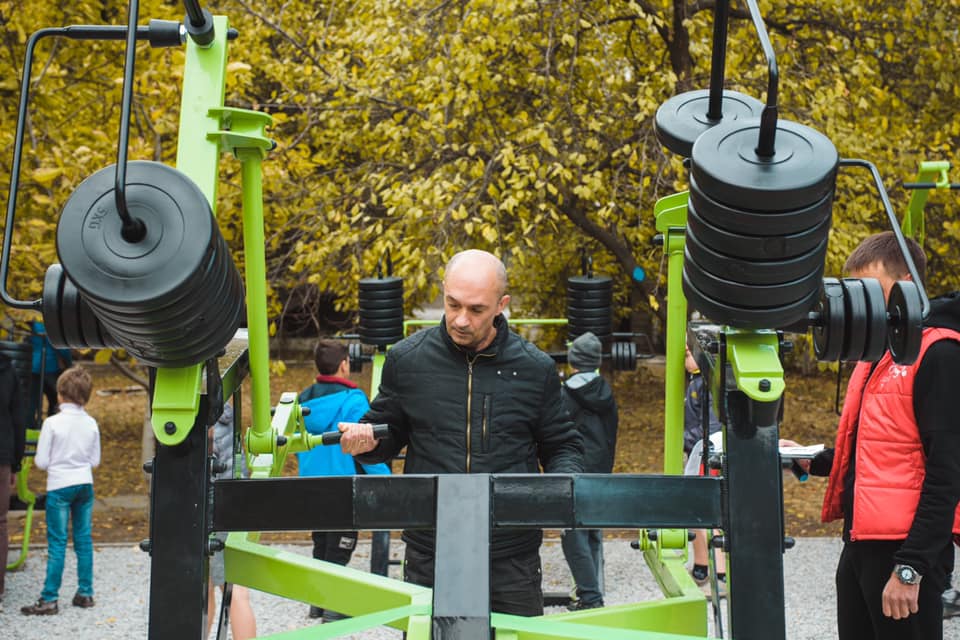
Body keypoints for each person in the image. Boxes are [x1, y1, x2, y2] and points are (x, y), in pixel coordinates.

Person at [339, 249, 584, 616]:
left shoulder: (535, 369)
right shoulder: (408, 360)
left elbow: (562, 444)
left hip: (510, 551)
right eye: (452, 304)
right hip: (431, 547)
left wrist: (564, 490)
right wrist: (366, 444)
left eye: (476, 309)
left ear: (501, 305)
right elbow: (387, 433)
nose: (461, 320)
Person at [804, 231, 960, 639]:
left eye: (871, 290)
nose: (863, 305)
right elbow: (878, 450)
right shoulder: (880, 353)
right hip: (860, 544)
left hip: (903, 555)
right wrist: (812, 457)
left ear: (906, 286)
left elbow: (948, 471)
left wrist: (911, 567)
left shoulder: (939, 354)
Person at [298, 339, 391, 622]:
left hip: (312, 484)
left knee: (321, 542)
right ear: (344, 364)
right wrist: (385, 479)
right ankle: (334, 608)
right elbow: (363, 443)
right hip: (343, 485)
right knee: (342, 543)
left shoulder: (303, 399)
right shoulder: (354, 400)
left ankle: (318, 602)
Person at [21, 366, 100, 616]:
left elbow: (41, 461)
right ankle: (85, 592)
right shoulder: (91, 423)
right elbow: (95, 460)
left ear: (60, 394)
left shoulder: (52, 423)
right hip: (84, 484)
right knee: (83, 540)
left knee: (57, 543)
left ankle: (50, 597)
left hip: (59, 485)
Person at [559, 331, 618, 611]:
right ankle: (593, 590)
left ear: (573, 362)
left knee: (572, 534)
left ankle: (590, 595)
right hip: (601, 471)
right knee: (593, 531)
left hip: (575, 470)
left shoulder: (565, 395)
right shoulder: (606, 393)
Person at [207, 402, 256, 640]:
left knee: (233, 591)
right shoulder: (227, 412)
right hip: (236, 503)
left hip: (215, 512)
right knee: (208, 590)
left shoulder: (206, 422)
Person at [681, 342, 726, 595]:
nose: (685, 359)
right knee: (697, 512)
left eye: (688, 354)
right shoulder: (696, 382)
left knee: (706, 512)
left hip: (706, 452)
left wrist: (692, 441)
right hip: (698, 450)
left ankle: (717, 572)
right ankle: (702, 566)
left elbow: (712, 425)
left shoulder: (708, 385)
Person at [0, 349, 27, 611]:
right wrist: (16, 462)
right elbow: (19, 419)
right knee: (0, 523)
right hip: (2, 456)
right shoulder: (7, 370)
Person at [28, 320, 72, 429]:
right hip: (51, 368)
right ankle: (51, 425)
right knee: (54, 399)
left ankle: (31, 428)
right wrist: (68, 364)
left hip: (33, 367)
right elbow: (63, 348)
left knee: (32, 402)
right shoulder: (52, 323)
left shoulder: (30, 323)